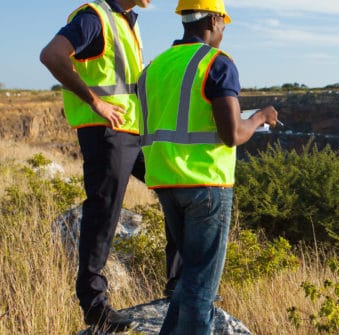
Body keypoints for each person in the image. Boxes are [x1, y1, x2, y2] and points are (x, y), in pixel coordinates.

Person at [136, 0, 278, 333]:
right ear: (214, 20)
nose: (224, 30)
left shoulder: (154, 67)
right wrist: (260, 117)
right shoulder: (216, 63)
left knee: (190, 277)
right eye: (224, 23)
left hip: (165, 182)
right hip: (206, 185)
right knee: (202, 288)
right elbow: (232, 135)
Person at [39, 0, 181, 331]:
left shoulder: (127, 21)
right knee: (104, 212)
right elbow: (51, 55)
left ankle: (179, 283)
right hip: (106, 132)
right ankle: (95, 307)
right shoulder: (95, 17)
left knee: (175, 186)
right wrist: (96, 102)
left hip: (133, 130)